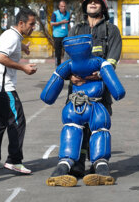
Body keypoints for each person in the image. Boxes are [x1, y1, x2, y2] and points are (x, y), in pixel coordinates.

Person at [40, 34, 125, 187]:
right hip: (95, 105)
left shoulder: (68, 65)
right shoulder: (100, 62)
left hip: (74, 106)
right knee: (100, 130)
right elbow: (118, 91)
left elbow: (47, 95)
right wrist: (100, 76)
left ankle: (62, 168)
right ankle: (101, 168)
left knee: (70, 130)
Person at [67, 0, 122, 178]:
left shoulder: (111, 31)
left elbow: (112, 61)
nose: (92, 4)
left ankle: (98, 164)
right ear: (84, 6)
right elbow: (68, 61)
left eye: (97, 2)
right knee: (77, 127)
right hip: (77, 91)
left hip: (101, 91)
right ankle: (78, 164)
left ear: (103, 7)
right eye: (89, 2)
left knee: (99, 126)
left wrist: (94, 77)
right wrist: (70, 77)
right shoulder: (75, 30)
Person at [0, 8, 37, 174]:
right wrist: (23, 67)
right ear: (21, 23)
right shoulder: (12, 37)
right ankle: (14, 160)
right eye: (31, 24)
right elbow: (1, 57)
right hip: (3, 87)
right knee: (18, 121)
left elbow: (13, 44)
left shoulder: (11, 34)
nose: (33, 27)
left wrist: (24, 48)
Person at [50, 0, 70, 66]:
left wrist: (70, 33)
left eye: (64, 6)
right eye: (62, 6)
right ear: (59, 6)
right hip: (57, 35)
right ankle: (58, 65)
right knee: (58, 52)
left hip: (65, 35)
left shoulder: (68, 14)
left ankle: (66, 65)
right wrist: (61, 22)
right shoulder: (55, 14)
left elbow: (68, 24)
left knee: (67, 51)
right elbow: (52, 24)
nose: (63, 8)